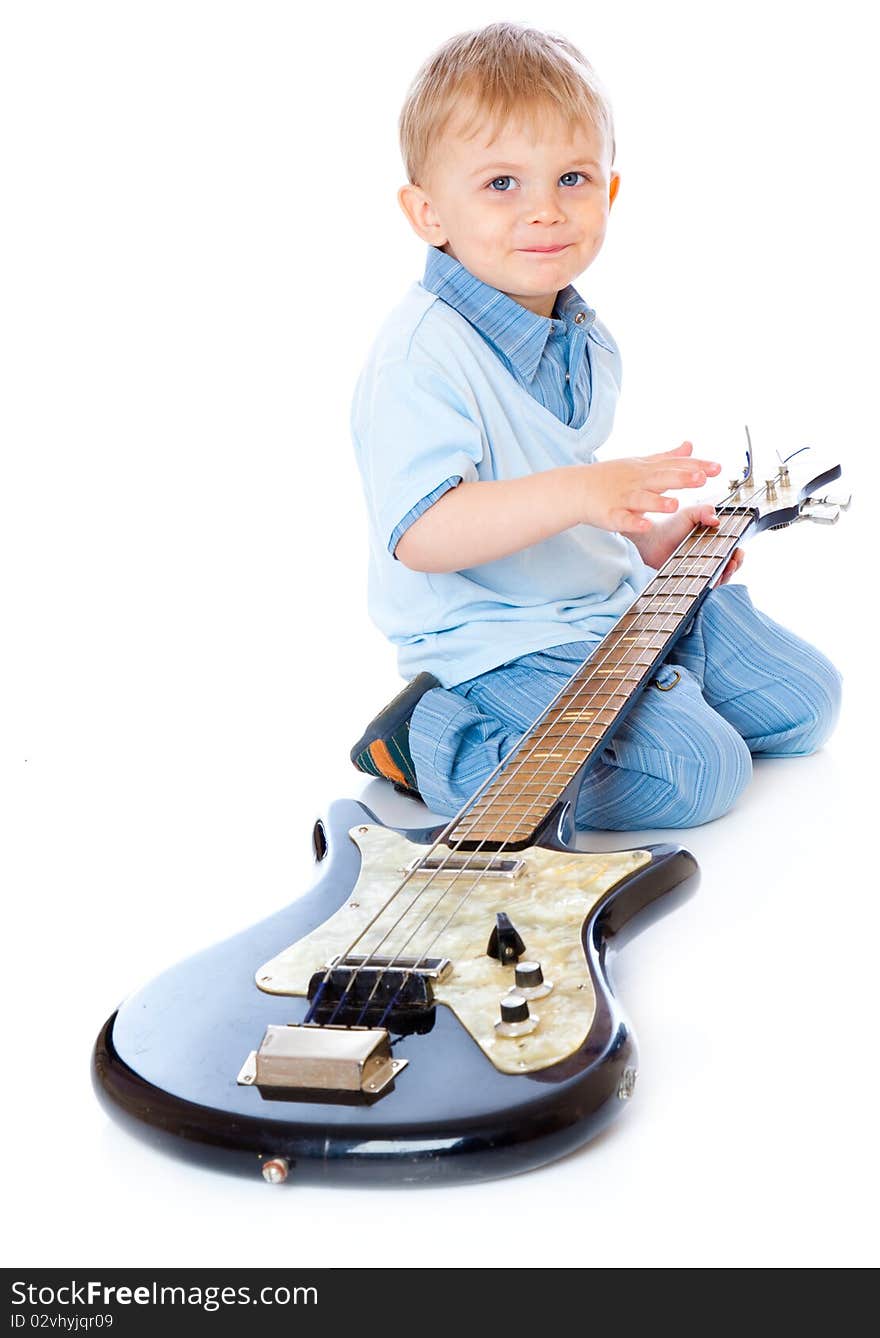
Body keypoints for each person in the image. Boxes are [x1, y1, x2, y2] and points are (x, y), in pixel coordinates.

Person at [349, 21, 841, 830]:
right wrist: (585, 492)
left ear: (609, 192)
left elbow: (553, 503)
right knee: (698, 774)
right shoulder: (418, 358)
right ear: (428, 213)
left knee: (806, 702)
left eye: (572, 177)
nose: (544, 210)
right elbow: (424, 534)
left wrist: (646, 542)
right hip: (498, 645)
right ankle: (424, 736)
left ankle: (655, 693)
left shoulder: (583, 338)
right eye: (502, 183)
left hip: (601, 604)